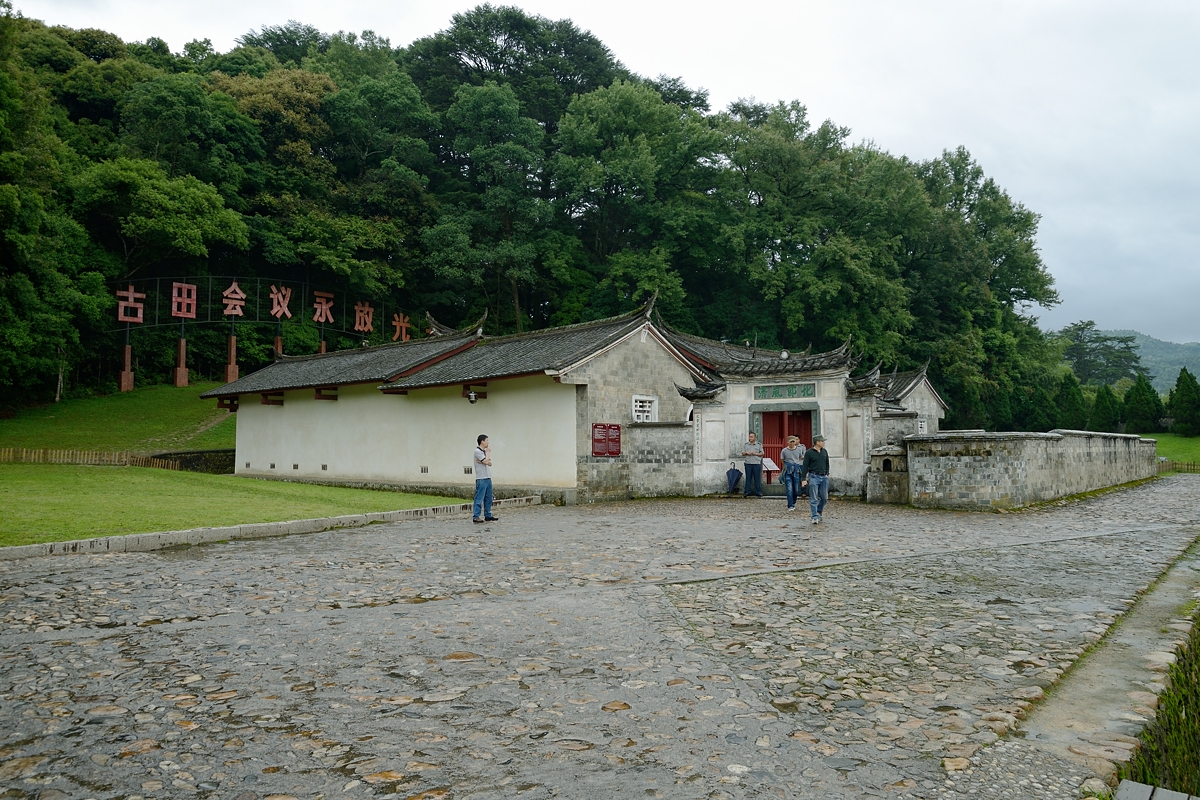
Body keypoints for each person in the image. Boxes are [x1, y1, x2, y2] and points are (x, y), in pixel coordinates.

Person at [800, 435, 830, 524]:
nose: (824, 443)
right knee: (814, 498)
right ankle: (814, 516)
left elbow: (827, 463)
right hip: (813, 476)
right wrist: (803, 478)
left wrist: (827, 473)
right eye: (822, 441)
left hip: (824, 476)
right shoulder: (809, 452)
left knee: (824, 497)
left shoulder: (824, 451)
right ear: (817, 442)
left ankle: (819, 510)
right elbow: (805, 466)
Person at [473, 434, 499, 523]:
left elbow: (489, 463)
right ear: (482, 441)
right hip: (481, 478)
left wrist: (486, 460)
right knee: (479, 498)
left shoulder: (483, 452)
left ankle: (488, 514)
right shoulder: (477, 451)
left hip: (488, 477)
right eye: (487, 440)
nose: (488, 442)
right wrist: (488, 453)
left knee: (488, 498)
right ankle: (476, 516)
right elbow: (486, 461)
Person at [780, 435, 806, 511]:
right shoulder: (784, 450)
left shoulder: (799, 450)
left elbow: (800, 457)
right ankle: (790, 505)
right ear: (788, 442)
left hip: (796, 470)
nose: (792, 443)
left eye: (793, 442)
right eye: (790, 442)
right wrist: (785, 466)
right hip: (788, 470)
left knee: (796, 489)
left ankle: (793, 501)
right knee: (789, 488)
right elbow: (782, 459)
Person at [741, 431, 765, 498]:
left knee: (757, 478)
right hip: (748, 463)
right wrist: (746, 453)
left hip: (756, 463)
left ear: (755, 437)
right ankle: (747, 492)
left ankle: (758, 492)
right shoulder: (746, 445)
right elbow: (742, 453)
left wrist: (755, 453)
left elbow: (762, 453)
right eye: (749, 437)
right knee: (748, 478)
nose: (750, 438)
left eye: (751, 437)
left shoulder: (759, 445)